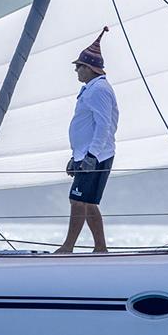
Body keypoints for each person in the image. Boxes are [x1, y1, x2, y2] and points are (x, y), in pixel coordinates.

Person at [55, 26, 119, 254]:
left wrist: (91, 155)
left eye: (78, 66)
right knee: (89, 202)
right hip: (89, 154)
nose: (76, 71)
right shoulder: (91, 88)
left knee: (78, 200)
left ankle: (68, 246)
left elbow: (104, 125)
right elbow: (87, 126)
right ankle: (100, 248)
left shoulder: (98, 89)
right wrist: (77, 157)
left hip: (97, 155)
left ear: (90, 68)